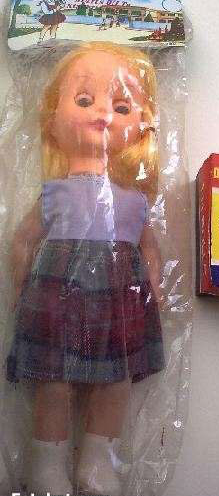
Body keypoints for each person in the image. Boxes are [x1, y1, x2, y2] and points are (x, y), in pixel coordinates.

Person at [6, 41, 164, 496]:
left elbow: (150, 251)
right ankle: (47, 463)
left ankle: (97, 462)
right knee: (54, 383)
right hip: (58, 293)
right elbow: (23, 241)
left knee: (115, 382)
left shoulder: (135, 200)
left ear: (143, 124)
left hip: (119, 299)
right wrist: (21, 288)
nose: (103, 114)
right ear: (51, 118)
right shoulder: (54, 192)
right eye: (83, 99)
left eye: (121, 106)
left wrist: (151, 293)